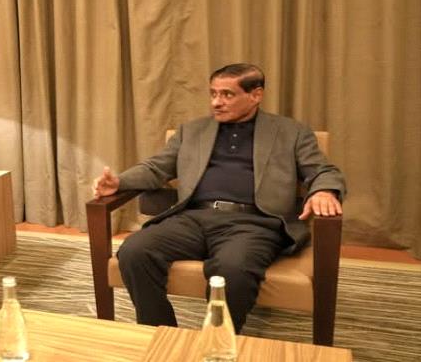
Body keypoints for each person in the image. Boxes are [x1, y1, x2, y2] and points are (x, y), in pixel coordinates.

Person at [92, 63, 345, 333]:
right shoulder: (192, 131)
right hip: (192, 218)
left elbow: (323, 171)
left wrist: (324, 190)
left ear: (256, 95)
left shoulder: (291, 132)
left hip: (254, 223)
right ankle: (162, 332)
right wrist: (119, 182)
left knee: (232, 270)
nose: (216, 102)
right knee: (134, 251)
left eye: (227, 94)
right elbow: (156, 168)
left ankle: (217, 340)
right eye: (213, 93)